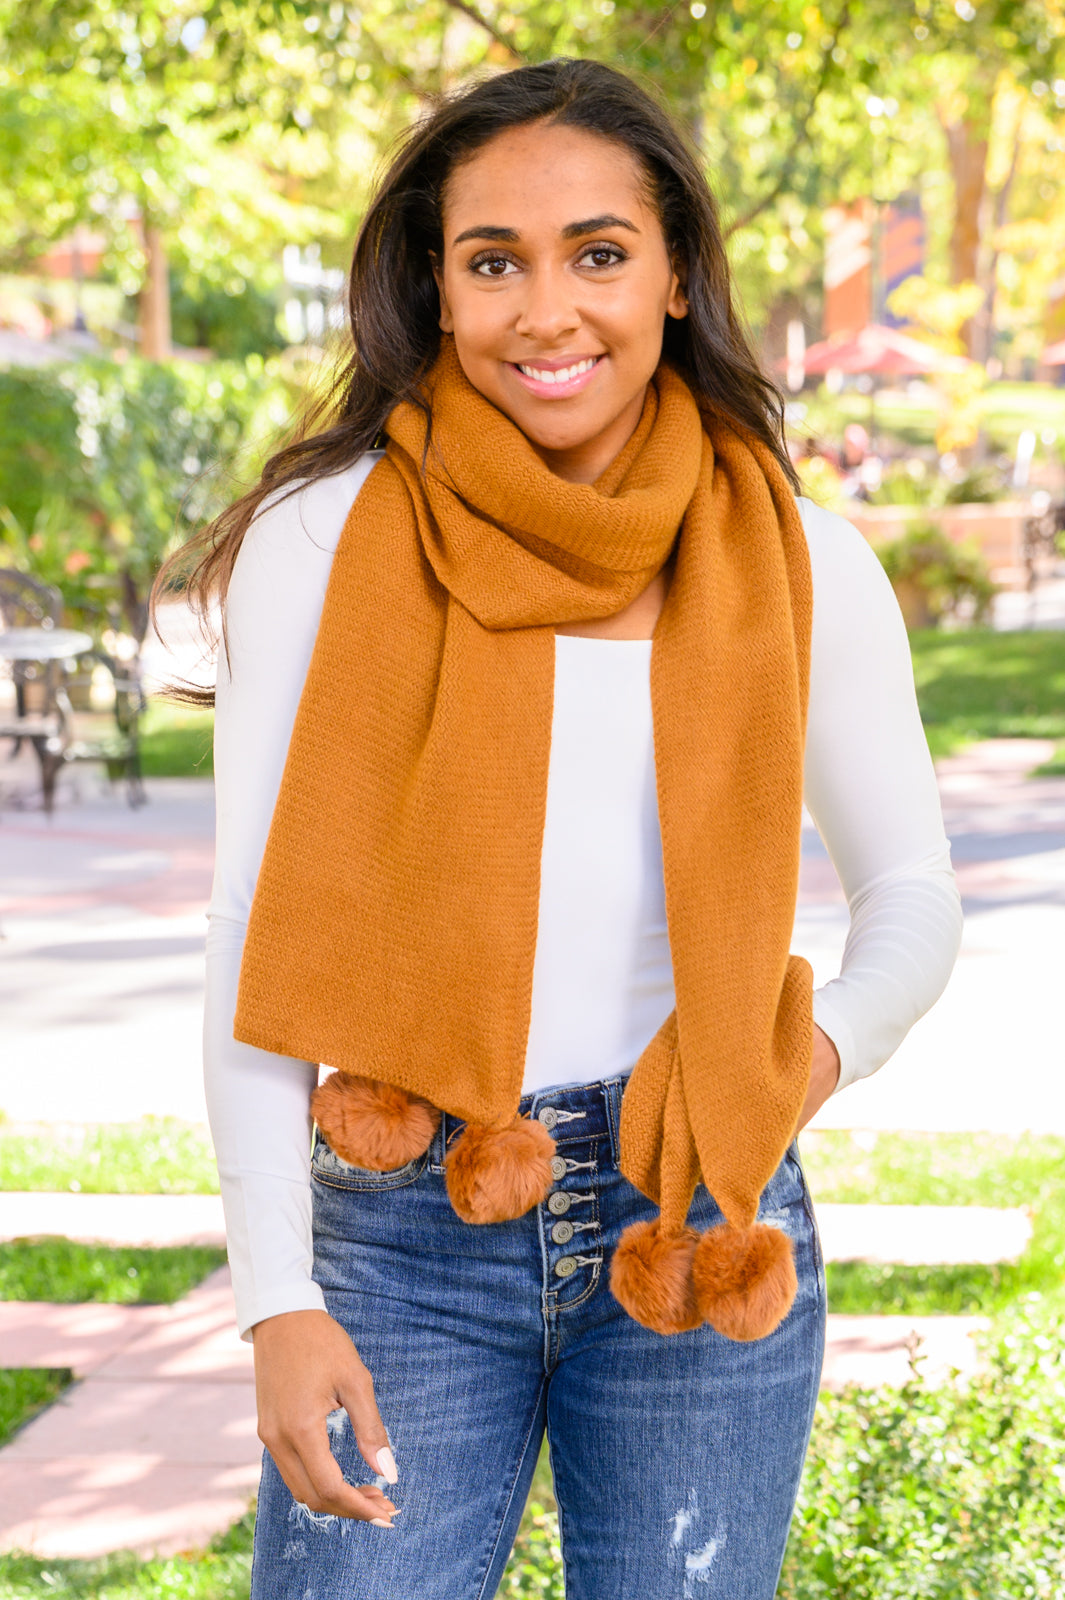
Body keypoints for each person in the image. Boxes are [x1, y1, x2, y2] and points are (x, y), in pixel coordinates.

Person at [166, 58, 963, 1600]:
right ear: (437, 292)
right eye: (493, 262)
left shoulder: (801, 558)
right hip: (403, 1224)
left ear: (673, 277)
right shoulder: (325, 538)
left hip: (702, 1213)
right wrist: (276, 1296)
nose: (548, 312)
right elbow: (250, 932)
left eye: (598, 253)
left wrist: (798, 1067)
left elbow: (911, 897)